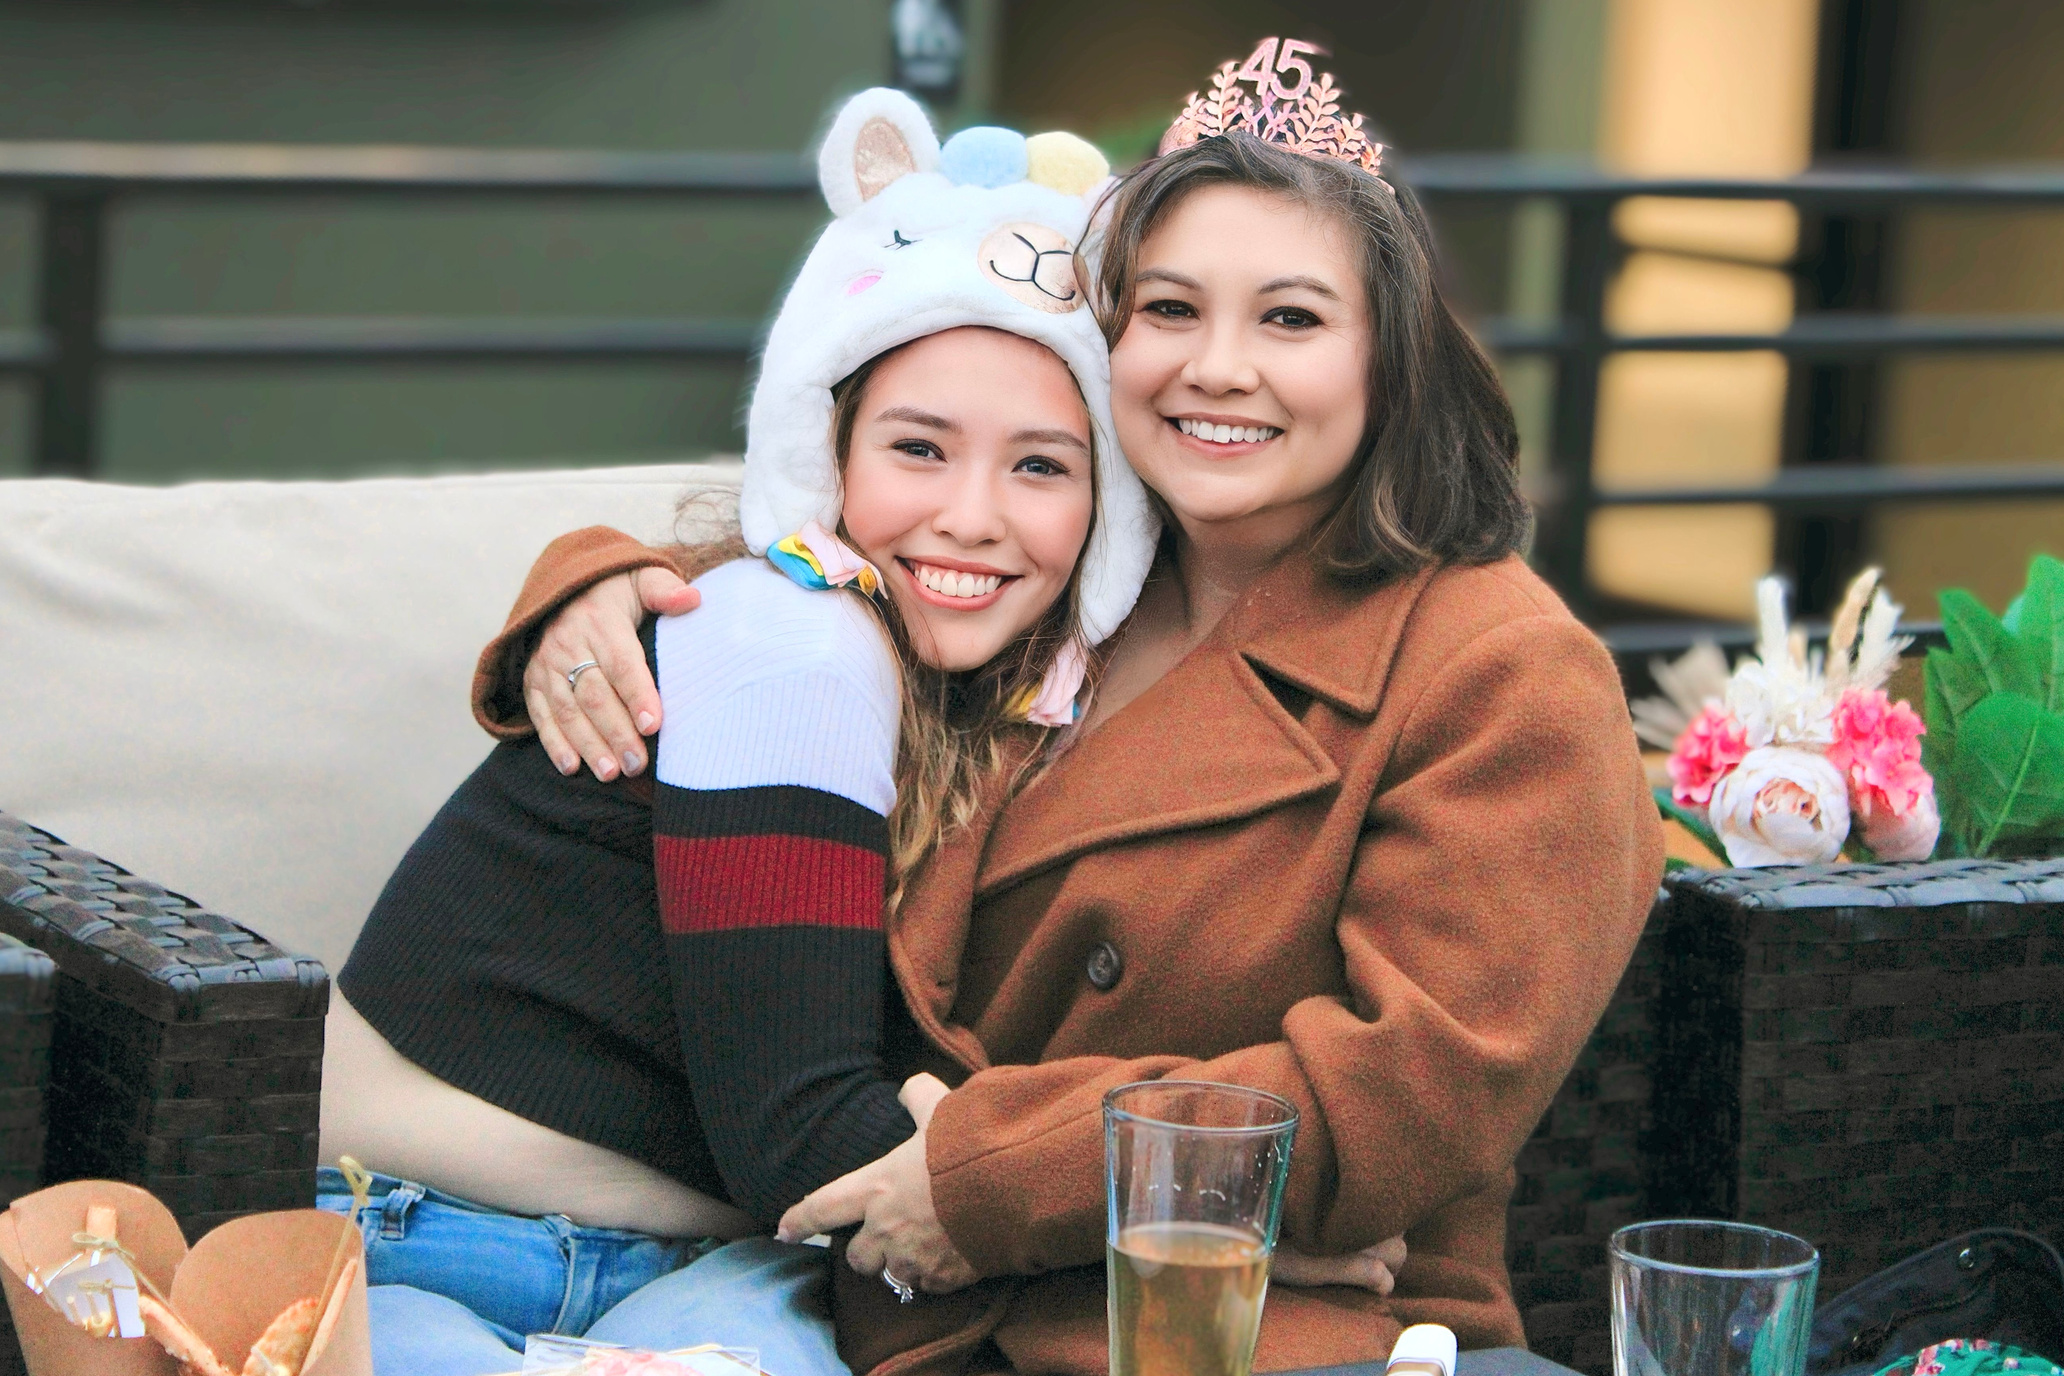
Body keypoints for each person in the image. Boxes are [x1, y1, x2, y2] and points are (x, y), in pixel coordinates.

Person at [474, 44, 1665, 1376]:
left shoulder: (1501, 670)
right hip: (914, 1301)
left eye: (1289, 319)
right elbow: (813, 567)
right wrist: (598, 589)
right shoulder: (1071, 567)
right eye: (1170, 309)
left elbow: (1409, 1087)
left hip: (1281, 1328)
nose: (1218, 367)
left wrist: (1010, 1186)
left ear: (1391, 359)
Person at [319, 89, 1162, 1376]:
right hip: (426, 1233)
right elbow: (801, 1136)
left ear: (1109, 508)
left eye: (1041, 465)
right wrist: (1212, 1227)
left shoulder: (1003, 704)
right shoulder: (793, 642)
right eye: (919, 448)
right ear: (829, 455)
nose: (973, 515)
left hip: (703, 1262)